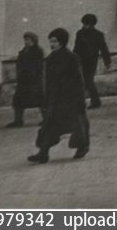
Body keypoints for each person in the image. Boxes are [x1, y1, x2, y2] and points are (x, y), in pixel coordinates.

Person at [28, 28, 89, 164]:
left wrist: (80, 100)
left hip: (71, 99)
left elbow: (79, 81)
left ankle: (82, 147)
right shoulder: (50, 59)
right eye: (50, 41)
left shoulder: (72, 58)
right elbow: (48, 82)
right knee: (50, 126)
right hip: (56, 100)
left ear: (62, 41)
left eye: (55, 41)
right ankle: (43, 153)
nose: (52, 44)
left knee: (78, 126)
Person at [72, 14, 111, 110]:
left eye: (86, 24)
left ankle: (95, 101)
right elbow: (76, 48)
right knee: (81, 81)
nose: (84, 26)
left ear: (91, 24)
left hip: (91, 61)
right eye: (84, 24)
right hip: (81, 60)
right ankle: (84, 101)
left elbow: (103, 48)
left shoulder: (98, 34)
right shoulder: (80, 33)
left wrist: (107, 61)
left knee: (88, 81)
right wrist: (73, 59)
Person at [7, 31, 44, 128]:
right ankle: (18, 121)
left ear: (33, 40)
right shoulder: (25, 50)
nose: (26, 41)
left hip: (34, 81)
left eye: (28, 40)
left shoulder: (38, 51)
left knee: (40, 101)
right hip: (23, 81)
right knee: (18, 102)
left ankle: (47, 120)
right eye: (25, 39)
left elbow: (38, 67)